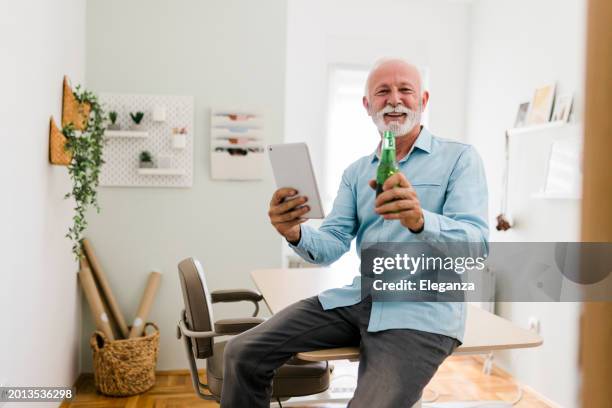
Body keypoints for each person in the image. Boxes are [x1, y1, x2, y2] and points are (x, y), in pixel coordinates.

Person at [221, 58, 489, 407]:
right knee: (242, 352)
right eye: (383, 92)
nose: (395, 100)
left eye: (405, 90)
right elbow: (332, 243)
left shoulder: (460, 159)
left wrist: (421, 220)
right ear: (368, 105)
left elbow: (477, 246)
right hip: (358, 300)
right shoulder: (356, 173)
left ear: (423, 100)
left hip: (421, 313)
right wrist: (294, 232)